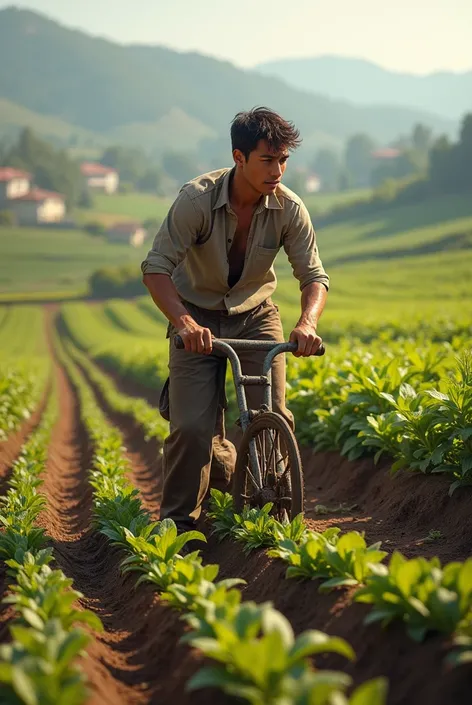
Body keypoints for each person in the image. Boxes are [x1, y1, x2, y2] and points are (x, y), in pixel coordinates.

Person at [141, 106, 329, 534]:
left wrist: (308, 324)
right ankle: (179, 527)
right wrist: (185, 324)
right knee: (191, 428)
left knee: (272, 415)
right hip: (196, 318)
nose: (278, 170)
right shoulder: (196, 200)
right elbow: (155, 269)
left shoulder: (290, 208)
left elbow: (313, 275)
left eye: (284, 160)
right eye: (268, 160)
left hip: (256, 316)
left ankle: (275, 517)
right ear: (239, 157)